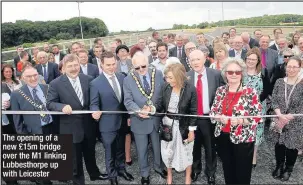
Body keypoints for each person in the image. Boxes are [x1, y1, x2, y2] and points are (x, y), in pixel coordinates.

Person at [47, 54, 108, 185]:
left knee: (91, 153)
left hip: (88, 125)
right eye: (70, 66)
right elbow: (50, 103)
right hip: (70, 127)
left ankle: (94, 174)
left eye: (76, 65)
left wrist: (95, 109)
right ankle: (78, 181)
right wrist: (61, 107)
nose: (74, 68)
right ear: (63, 68)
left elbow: (94, 100)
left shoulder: (88, 79)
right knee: (75, 160)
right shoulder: (55, 84)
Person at [209, 57, 262, 185]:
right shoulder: (220, 91)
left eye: (237, 72)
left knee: (242, 172)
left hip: (243, 139)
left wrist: (241, 121)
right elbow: (212, 113)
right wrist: (218, 117)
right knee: (228, 169)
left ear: (242, 74)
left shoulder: (250, 92)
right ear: (225, 74)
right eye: (230, 72)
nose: (233, 75)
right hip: (223, 136)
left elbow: (258, 116)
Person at [90, 51, 134, 185]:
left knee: (121, 149)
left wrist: (129, 116)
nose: (111, 67)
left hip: (122, 122)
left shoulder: (122, 77)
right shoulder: (95, 83)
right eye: (108, 65)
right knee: (109, 152)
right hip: (107, 124)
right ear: (101, 65)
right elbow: (94, 103)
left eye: (113, 64)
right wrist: (95, 111)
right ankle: (112, 175)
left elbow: (126, 100)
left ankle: (121, 169)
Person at [123, 51, 167, 185]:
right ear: (133, 67)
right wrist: (138, 111)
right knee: (141, 150)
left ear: (148, 63)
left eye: (144, 66)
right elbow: (128, 101)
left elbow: (162, 95)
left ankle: (158, 167)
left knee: (157, 147)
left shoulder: (158, 74)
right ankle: (144, 174)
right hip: (139, 120)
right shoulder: (128, 79)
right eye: (137, 68)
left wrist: (153, 108)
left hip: (155, 119)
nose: (141, 70)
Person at [152, 63, 197, 185]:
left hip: (184, 126)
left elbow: (193, 111)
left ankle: (187, 178)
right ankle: (169, 177)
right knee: (168, 153)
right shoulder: (165, 87)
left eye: (171, 77)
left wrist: (191, 130)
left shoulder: (190, 89)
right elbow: (159, 105)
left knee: (186, 153)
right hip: (168, 125)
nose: (168, 80)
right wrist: (150, 109)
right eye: (167, 77)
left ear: (179, 76)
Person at [11, 65, 54, 185]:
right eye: (28, 76)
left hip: (51, 127)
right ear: (23, 78)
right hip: (33, 131)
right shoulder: (16, 94)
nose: (33, 78)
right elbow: (17, 120)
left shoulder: (47, 88)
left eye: (35, 75)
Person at [187, 50, 225, 184]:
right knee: (194, 146)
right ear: (189, 62)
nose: (195, 62)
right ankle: (196, 170)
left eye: (198, 59)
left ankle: (211, 173)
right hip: (192, 118)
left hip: (209, 118)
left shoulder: (215, 74)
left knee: (210, 147)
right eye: (192, 60)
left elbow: (223, 95)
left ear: (204, 59)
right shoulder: (187, 76)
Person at [270, 56, 303, 181]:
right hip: (279, 119)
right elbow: (274, 100)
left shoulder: (302, 83)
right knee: (279, 144)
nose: (292, 69)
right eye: (289, 66)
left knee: (291, 147)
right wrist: (279, 114)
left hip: (295, 121)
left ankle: (288, 169)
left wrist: (291, 116)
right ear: (285, 67)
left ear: (299, 68)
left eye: (295, 67)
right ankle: (279, 165)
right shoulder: (279, 82)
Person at [243, 48, 271, 168]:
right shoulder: (240, 72)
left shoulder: (263, 72)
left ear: (258, 60)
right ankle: (243, 155)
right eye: (249, 59)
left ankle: (254, 156)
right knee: (243, 130)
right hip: (242, 107)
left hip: (258, 107)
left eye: (253, 59)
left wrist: (255, 101)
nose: (251, 61)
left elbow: (267, 90)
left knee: (257, 132)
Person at [1, 82, 19, 185]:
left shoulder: (3, 86)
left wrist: (8, 104)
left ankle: (11, 180)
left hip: (6, 123)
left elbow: (10, 102)